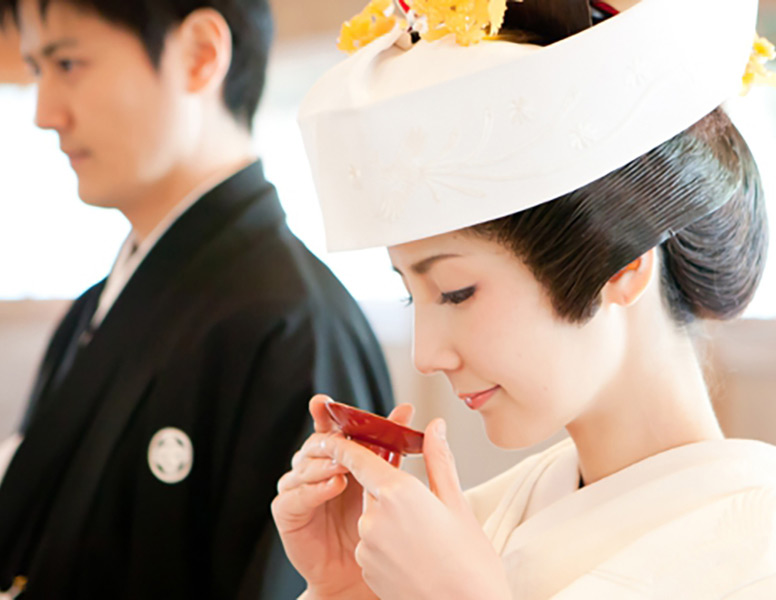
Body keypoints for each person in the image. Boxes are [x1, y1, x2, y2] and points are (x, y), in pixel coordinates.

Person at [272, 0, 776, 598]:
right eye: (412, 298)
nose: (426, 356)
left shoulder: (755, 548)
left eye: (456, 292)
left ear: (622, 267)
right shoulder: (476, 522)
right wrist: (343, 586)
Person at [0, 0, 394, 598]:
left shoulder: (293, 325)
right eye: (36, 71)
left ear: (200, 55)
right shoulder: (101, 304)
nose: (45, 113)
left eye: (67, 63)